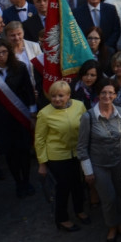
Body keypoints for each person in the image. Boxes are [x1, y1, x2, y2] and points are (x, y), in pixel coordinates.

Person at [77, 78, 121, 242]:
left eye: (110, 93)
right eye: (103, 92)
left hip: (119, 161)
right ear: (98, 95)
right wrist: (88, 171)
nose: (107, 96)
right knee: (108, 198)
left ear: (115, 95)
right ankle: (112, 226)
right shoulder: (88, 117)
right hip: (99, 164)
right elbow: (81, 147)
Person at [0, 37, 37, 198]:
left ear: (9, 52)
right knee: (10, 154)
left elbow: (28, 92)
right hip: (2, 120)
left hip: (21, 117)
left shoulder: (20, 67)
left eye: (4, 52)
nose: (1, 56)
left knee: (24, 151)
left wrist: (32, 115)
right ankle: (18, 183)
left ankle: (26, 181)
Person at [35, 80, 88, 232]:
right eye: (53, 96)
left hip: (77, 153)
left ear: (69, 96)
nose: (57, 99)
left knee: (78, 185)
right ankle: (62, 218)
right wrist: (42, 163)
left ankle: (80, 210)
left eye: (60, 95)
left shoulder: (79, 106)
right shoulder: (44, 114)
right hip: (57, 157)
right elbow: (39, 140)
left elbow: (85, 127)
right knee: (63, 188)